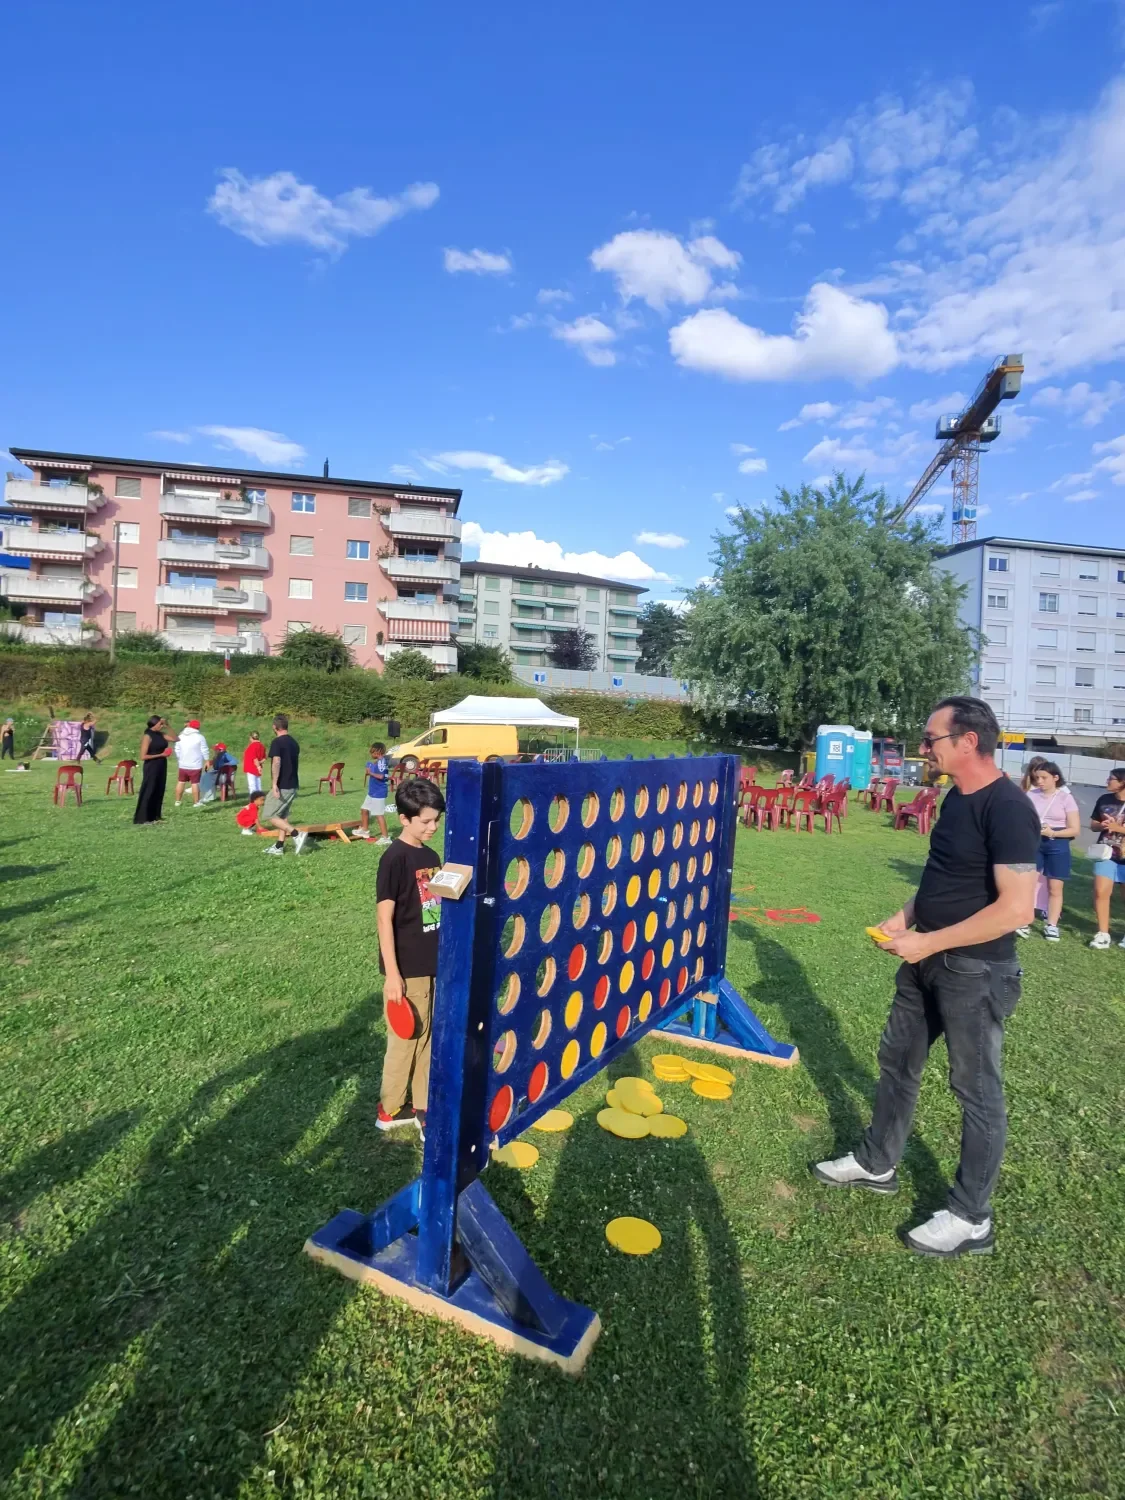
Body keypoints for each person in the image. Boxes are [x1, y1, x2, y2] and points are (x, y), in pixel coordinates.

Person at [813, 696, 1039, 1258]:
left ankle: (971, 1217)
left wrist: (929, 941)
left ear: (968, 741)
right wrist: (908, 916)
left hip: (976, 969)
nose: (922, 748)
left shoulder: (1008, 808)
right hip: (926, 959)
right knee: (897, 1063)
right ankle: (876, 1162)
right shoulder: (953, 800)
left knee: (976, 1091)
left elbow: (1017, 909)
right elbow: (947, 876)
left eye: (931, 738)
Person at [376, 777, 447, 1137]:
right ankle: (390, 1109)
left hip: (431, 960)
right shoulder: (395, 858)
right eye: (425, 821)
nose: (433, 827)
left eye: (436, 820)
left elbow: (431, 907)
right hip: (407, 968)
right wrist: (393, 974)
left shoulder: (430, 855)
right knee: (406, 1039)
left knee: (427, 1035)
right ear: (404, 818)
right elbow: (384, 918)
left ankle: (422, 1103)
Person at [1020, 761, 1080, 942]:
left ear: (1056, 778)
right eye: (1037, 777)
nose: (1039, 781)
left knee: (1055, 886)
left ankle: (1052, 925)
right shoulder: (1031, 794)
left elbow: (1075, 829)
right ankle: (1023, 920)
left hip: (1057, 844)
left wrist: (1053, 832)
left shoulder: (1065, 798)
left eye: (1044, 778)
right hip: (1034, 842)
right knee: (1026, 882)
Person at [1088, 767, 1125, 950]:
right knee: (1101, 891)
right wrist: (1100, 825)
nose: (1107, 781)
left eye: (1112, 778)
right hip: (1106, 852)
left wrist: (1120, 829)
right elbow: (1093, 824)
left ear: (1123, 782)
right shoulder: (1104, 799)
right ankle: (1103, 933)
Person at [261, 713, 307, 856]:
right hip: (293, 783)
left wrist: (274, 783)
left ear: (275, 727)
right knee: (282, 815)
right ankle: (279, 847)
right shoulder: (294, 742)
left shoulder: (277, 742)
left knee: (269, 814)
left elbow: (277, 762)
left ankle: (296, 834)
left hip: (283, 785)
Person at [134, 715, 173, 824]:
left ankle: (155, 815)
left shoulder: (161, 734)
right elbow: (143, 756)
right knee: (149, 789)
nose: (161, 726)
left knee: (159, 789)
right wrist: (161, 754)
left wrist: (168, 726)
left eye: (162, 724)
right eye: (160, 724)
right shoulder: (147, 736)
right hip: (151, 765)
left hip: (161, 764)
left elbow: (176, 739)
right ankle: (143, 817)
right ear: (154, 723)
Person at [356, 741, 392, 843]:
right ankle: (364, 830)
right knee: (364, 809)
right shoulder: (378, 762)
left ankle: (385, 838)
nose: (371, 754)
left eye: (372, 752)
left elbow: (381, 776)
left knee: (378, 814)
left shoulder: (381, 762)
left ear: (377, 752)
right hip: (372, 792)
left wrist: (370, 772)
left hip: (379, 793)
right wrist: (370, 768)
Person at [173, 719, 210, 808]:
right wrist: (207, 760)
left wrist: (180, 758)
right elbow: (204, 750)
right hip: (195, 764)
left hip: (183, 764)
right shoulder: (199, 737)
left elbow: (177, 749)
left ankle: (177, 801)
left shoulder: (181, 736)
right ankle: (196, 802)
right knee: (195, 783)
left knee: (181, 781)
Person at [242, 731, 267, 796]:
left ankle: (254, 799)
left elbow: (254, 758)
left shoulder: (252, 746)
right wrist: (259, 764)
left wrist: (258, 766)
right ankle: (260, 797)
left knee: (252, 785)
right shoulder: (262, 746)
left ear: (251, 738)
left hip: (251, 768)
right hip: (257, 767)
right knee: (258, 784)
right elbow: (264, 758)